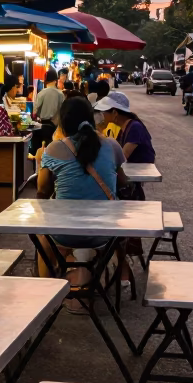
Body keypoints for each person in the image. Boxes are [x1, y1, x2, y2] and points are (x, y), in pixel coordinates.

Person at [37, 96, 128, 309]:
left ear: (63, 123)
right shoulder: (112, 145)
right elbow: (123, 182)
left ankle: (43, 300)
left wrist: (44, 158)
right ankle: (111, 278)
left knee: (43, 239)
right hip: (104, 233)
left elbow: (42, 190)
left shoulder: (53, 149)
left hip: (65, 233)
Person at [94, 90, 156, 163]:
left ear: (114, 113)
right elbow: (114, 151)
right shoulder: (123, 129)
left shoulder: (135, 127)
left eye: (103, 112)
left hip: (141, 172)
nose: (101, 115)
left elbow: (122, 157)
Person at [32, 68, 64, 147]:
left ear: (46, 81)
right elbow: (63, 111)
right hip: (57, 129)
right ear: (55, 80)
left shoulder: (41, 93)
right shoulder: (61, 94)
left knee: (42, 149)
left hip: (43, 127)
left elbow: (34, 113)